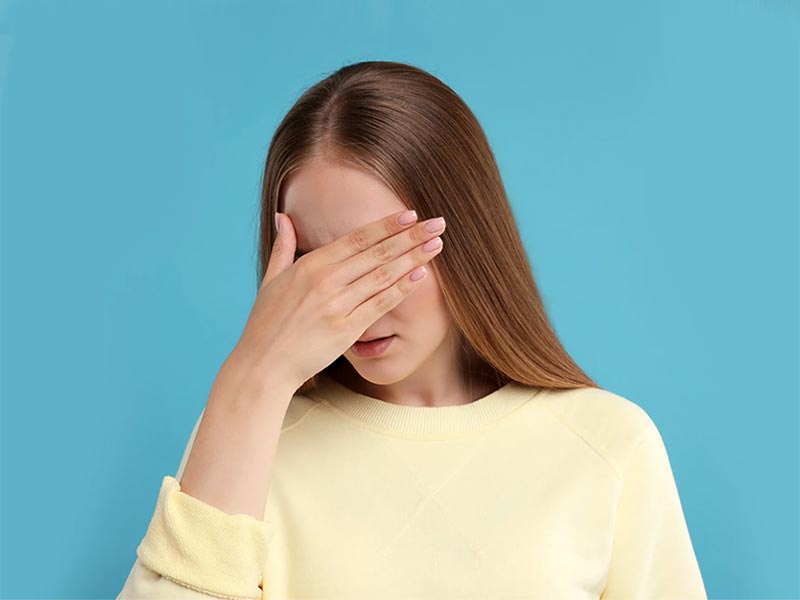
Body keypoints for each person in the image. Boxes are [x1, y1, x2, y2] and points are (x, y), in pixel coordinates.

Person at [116, 60, 707, 599]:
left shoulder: (609, 446)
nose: (355, 306)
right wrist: (252, 375)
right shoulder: (246, 435)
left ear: (468, 237)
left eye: (386, 257)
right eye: (317, 270)